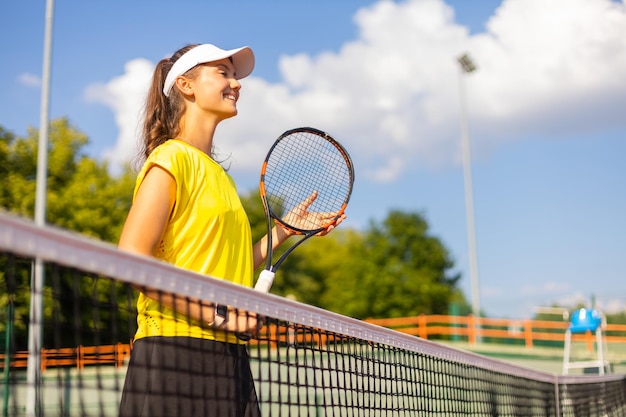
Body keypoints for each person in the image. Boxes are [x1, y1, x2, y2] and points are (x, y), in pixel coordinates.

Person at [116, 43, 345, 417]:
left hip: (229, 357)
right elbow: (130, 260)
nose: (236, 83)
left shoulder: (220, 177)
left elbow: (228, 266)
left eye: (234, 74)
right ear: (186, 86)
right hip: (175, 353)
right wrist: (220, 316)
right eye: (223, 72)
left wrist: (282, 232)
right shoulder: (170, 159)